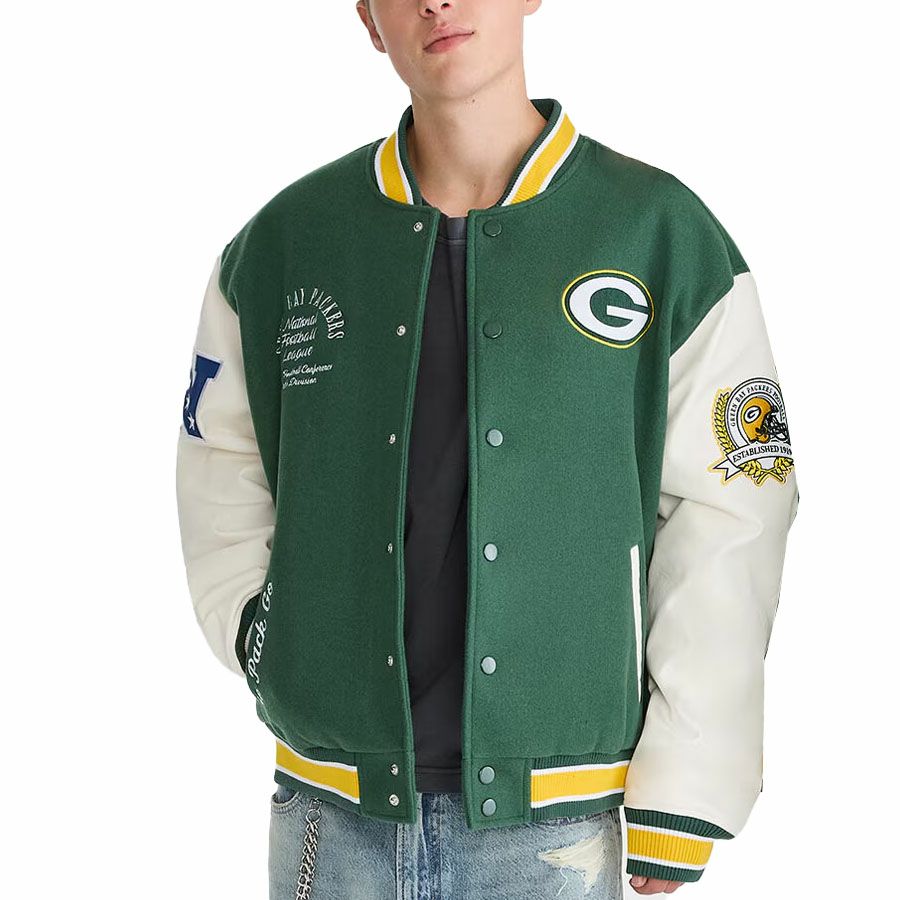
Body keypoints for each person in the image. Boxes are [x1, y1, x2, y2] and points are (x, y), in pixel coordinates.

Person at [175, 1, 800, 897]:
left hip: (557, 828)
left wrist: (688, 787)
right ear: (368, 18)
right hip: (327, 812)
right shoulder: (286, 243)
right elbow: (220, 464)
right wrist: (262, 638)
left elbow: (734, 510)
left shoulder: (657, 232)